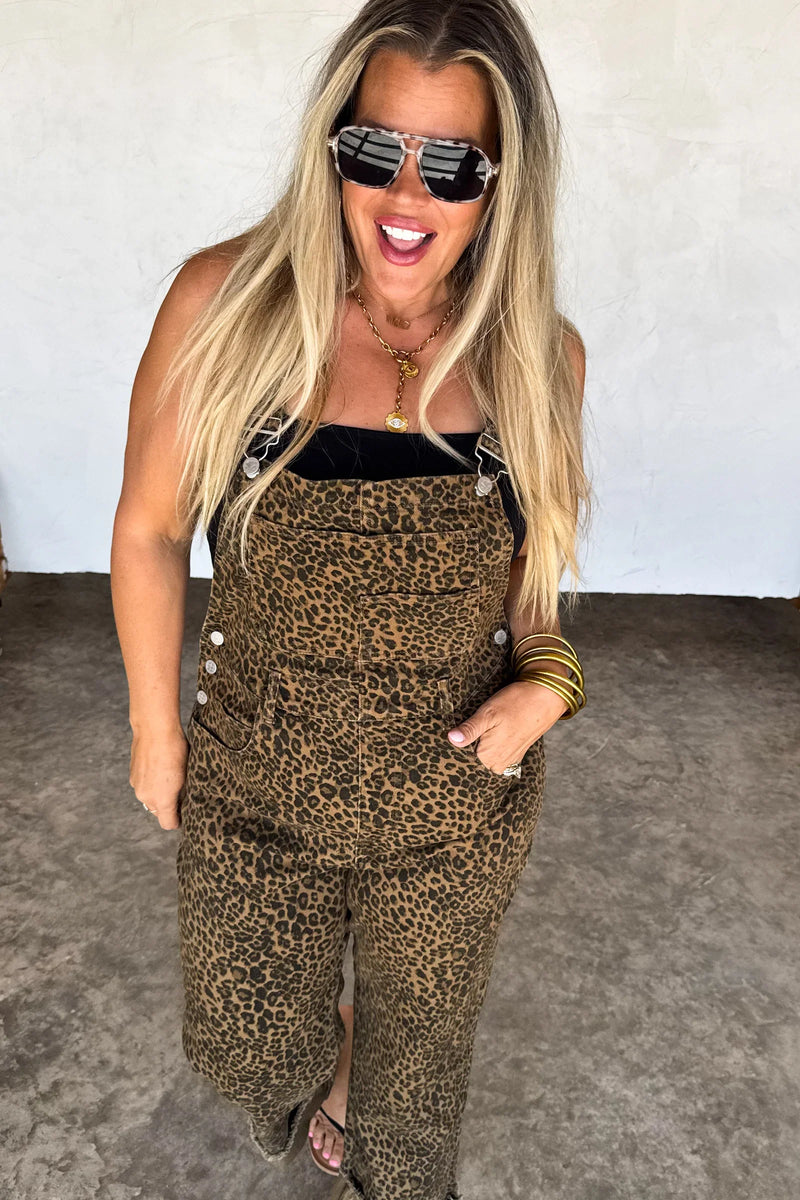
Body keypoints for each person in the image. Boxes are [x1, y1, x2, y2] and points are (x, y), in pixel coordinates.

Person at [110, 1, 592, 1197]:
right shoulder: (225, 303)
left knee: (413, 1099)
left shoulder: (537, 354)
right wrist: (156, 731)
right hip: (258, 776)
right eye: (374, 150)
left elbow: (531, 588)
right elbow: (151, 529)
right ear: (332, 145)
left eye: (453, 165)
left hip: (450, 801)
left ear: (502, 181)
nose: (404, 197)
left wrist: (548, 688)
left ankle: (385, 1106)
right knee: (244, 1051)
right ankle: (330, 1046)